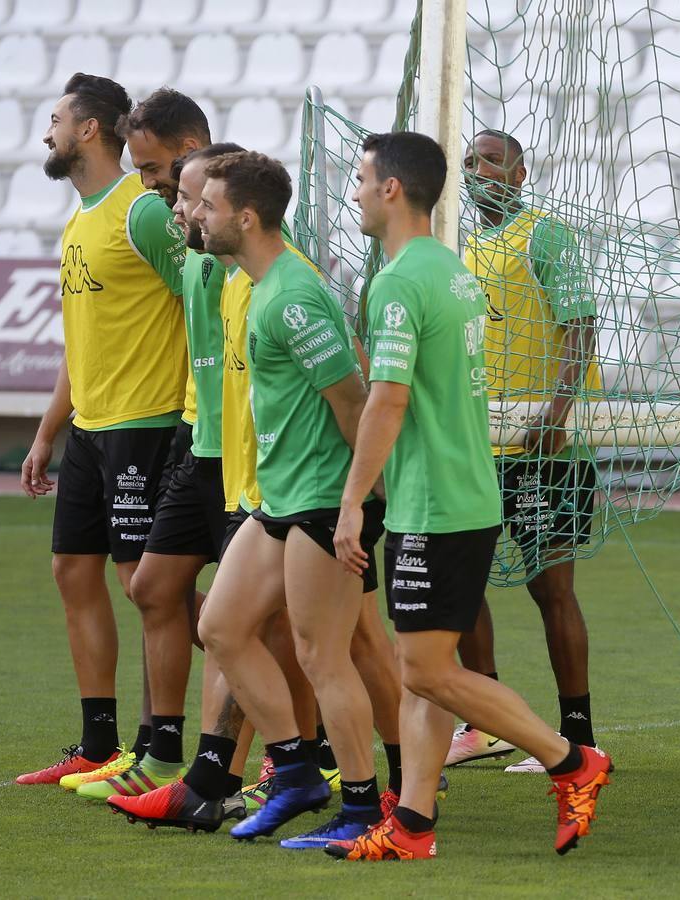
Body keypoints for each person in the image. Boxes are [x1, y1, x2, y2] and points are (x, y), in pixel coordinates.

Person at [331, 131, 613, 859]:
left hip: (439, 502)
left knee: (422, 669)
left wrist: (354, 500)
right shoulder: (451, 270)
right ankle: (414, 827)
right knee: (422, 675)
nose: (355, 191)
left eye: (362, 178)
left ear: (393, 188)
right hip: (467, 491)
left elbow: (386, 401)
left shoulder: (399, 282)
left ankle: (571, 760)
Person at [189, 150, 381, 848]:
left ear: (245, 217)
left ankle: (362, 808)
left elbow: (354, 401)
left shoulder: (294, 296)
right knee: (221, 627)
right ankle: (298, 773)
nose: (196, 216)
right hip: (284, 497)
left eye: (207, 206)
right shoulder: (256, 284)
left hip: (327, 500)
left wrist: (358, 504)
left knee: (323, 656)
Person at [17, 74, 187, 786]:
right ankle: (97, 746)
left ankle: (163, 740)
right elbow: (79, 343)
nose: (48, 130)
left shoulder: (140, 211)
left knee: (143, 586)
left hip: (142, 426)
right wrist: (47, 432)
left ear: (89, 129)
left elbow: (205, 299)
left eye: (56, 118)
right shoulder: (81, 219)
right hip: (90, 430)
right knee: (72, 571)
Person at [75, 90, 222, 801]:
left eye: (161, 170)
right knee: (156, 589)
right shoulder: (185, 235)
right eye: (143, 171)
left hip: (210, 441)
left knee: (274, 626)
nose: (154, 187)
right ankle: (163, 754)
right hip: (193, 435)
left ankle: (308, 757)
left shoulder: (236, 242)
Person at [448, 128, 602, 772]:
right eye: (468, 161)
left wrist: (556, 412)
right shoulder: (455, 247)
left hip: (544, 447)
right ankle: (485, 722)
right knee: (458, 587)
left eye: (489, 160)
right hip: (475, 445)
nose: (476, 170)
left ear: (518, 173)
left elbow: (581, 324)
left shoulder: (547, 237)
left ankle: (580, 736)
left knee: (551, 589)